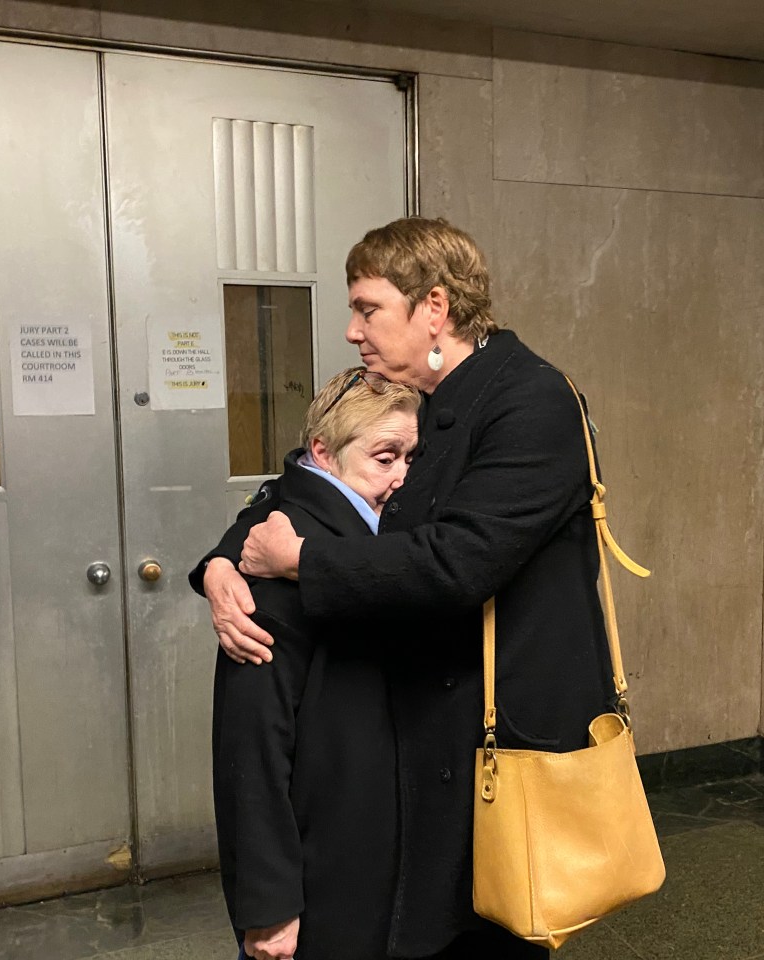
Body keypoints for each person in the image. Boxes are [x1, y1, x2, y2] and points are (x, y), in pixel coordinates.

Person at [196, 217, 619, 960]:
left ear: (433, 308)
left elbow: (459, 562)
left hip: (500, 756)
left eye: (367, 309)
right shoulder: (419, 398)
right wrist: (226, 562)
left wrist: (300, 563)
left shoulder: (532, 401)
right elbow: (311, 480)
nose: (353, 331)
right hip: (421, 753)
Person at [211, 366, 420, 960]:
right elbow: (250, 745)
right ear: (323, 454)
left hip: (376, 849)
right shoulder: (276, 562)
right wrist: (268, 906)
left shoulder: (377, 536)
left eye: (410, 456)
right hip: (321, 866)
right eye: (385, 458)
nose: (402, 475)